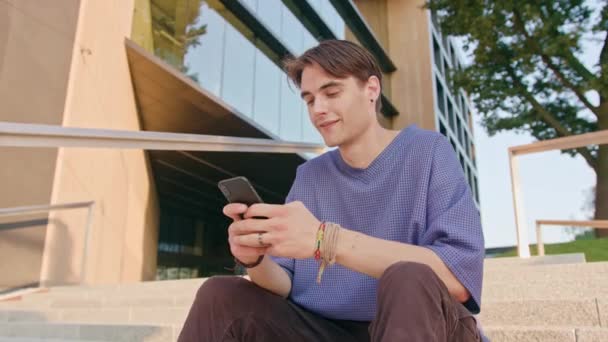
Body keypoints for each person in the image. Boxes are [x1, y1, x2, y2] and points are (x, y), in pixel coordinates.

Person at [178, 39, 485, 341]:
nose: (318, 109)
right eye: (309, 99)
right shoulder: (310, 176)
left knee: (408, 275)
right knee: (219, 295)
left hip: (425, 326)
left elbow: (458, 278)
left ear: (372, 89)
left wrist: (326, 239)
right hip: (328, 330)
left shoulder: (428, 151)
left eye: (332, 92)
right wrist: (256, 259)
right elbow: (284, 284)